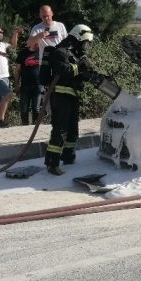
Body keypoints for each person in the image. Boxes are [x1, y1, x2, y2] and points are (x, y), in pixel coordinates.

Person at [43, 24, 100, 176]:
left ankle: (68, 157)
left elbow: (79, 73)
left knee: (73, 130)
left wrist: (95, 75)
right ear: (78, 38)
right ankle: (52, 163)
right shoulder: (60, 52)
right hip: (61, 96)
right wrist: (80, 67)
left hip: (72, 96)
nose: (85, 46)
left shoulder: (73, 54)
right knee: (60, 130)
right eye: (85, 42)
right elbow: (64, 71)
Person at [15, 39, 42, 125]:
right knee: (24, 109)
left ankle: (36, 126)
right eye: (36, 40)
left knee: (36, 108)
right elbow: (17, 70)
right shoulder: (22, 53)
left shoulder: (41, 53)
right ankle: (24, 127)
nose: (38, 43)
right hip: (25, 85)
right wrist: (16, 84)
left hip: (38, 85)